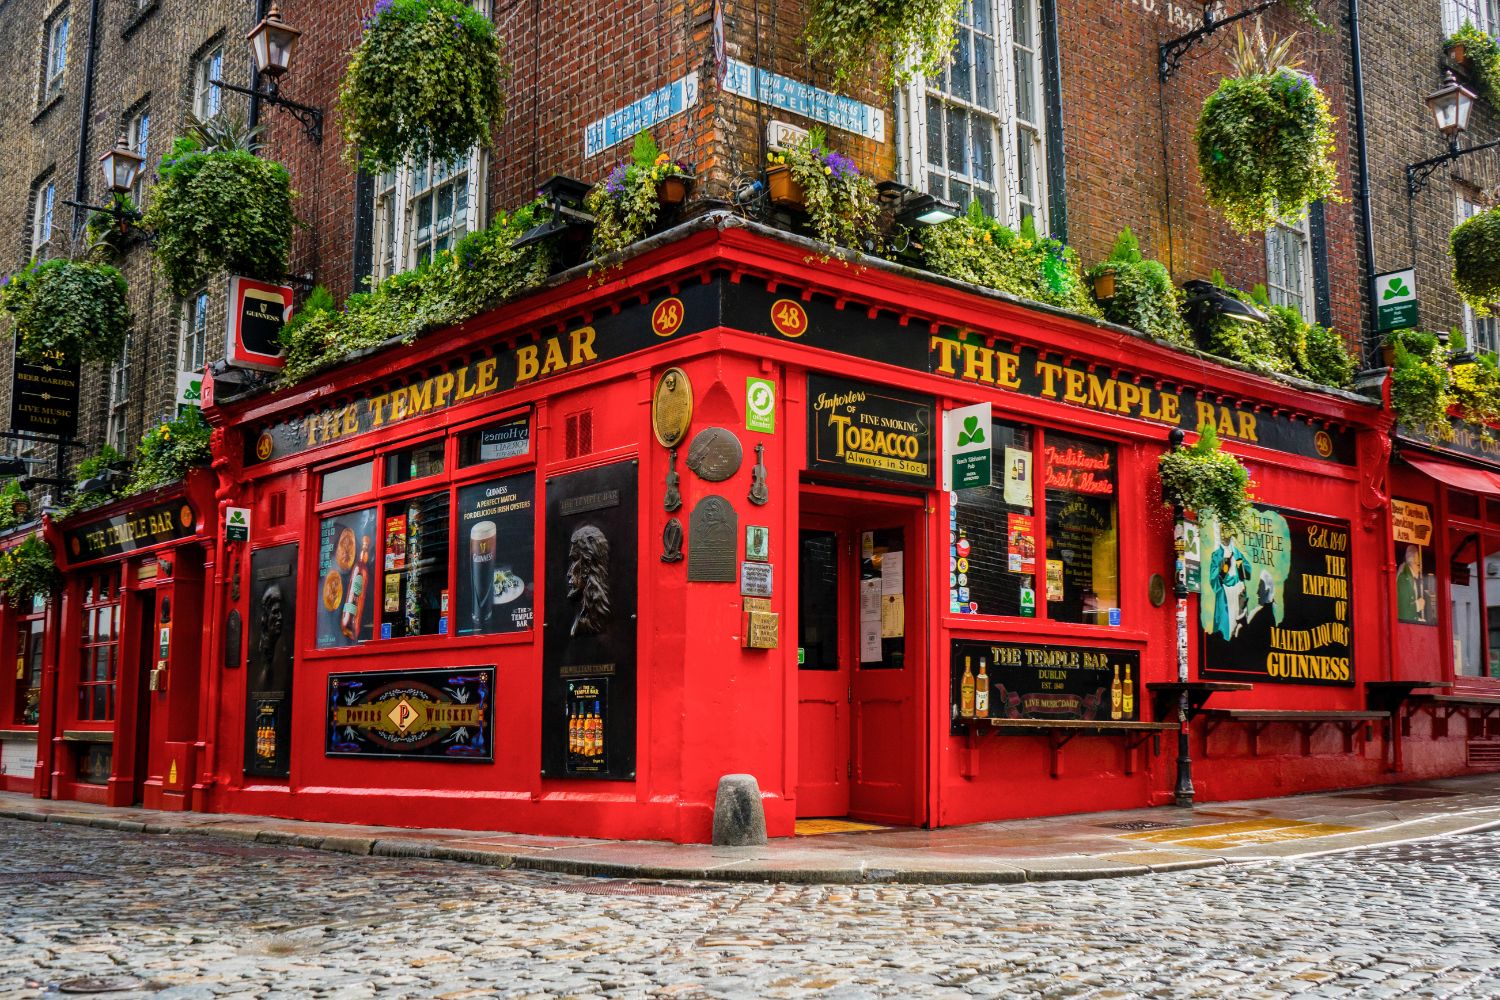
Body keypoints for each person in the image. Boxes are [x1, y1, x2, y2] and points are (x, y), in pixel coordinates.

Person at [1208, 523, 1252, 641]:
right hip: (1225, 594)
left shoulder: (1237, 553)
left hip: (1238, 591)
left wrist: (1240, 565)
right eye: (1223, 531)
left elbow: (1246, 571)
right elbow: (1213, 579)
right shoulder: (1217, 555)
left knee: (1239, 625)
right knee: (1225, 625)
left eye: (1228, 531)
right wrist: (1223, 572)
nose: (1225, 535)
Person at [1397, 544, 1427, 623]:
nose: (1419, 569)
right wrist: (1417, 605)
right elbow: (1403, 612)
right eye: (1418, 564)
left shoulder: (1410, 578)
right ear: (1411, 561)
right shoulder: (1404, 578)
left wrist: (1418, 619)